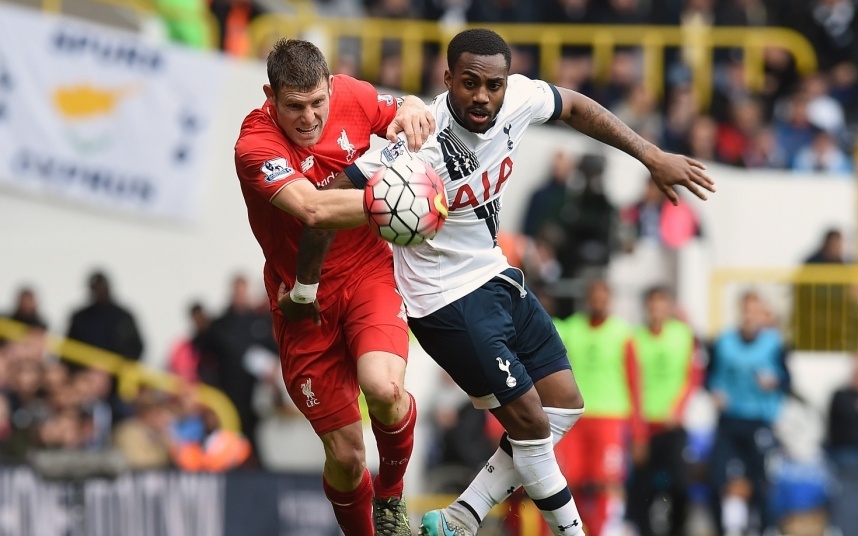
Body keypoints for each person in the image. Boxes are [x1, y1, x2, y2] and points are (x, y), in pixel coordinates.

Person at [292, 28, 715, 536]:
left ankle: (458, 519)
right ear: (448, 79)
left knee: (564, 405)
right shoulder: (414, 142)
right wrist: (304, 291)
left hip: (495, 275)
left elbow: (577, 107)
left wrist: (651, 156)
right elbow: (322, 206)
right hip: (445, 301)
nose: (482, 96)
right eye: (469, 83)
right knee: (533, 425)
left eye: (493, 85)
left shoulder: (518, 99)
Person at [232, 38, 434, 536]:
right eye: (295, 106)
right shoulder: (255, 145)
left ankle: (390, 500)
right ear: (270, 96)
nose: (309, 117)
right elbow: (313, 210)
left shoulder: (353, 95)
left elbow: (402, 108)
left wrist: (412, 109)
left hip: (367, 272)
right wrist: (402, 200)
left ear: (329, 87)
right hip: (302, 303)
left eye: (318, 102)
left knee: (385, 389)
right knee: (345, 454)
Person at [553, 280, 645, 536]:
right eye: (593, 296)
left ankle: (606, 530)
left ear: (610, 300)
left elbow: (634, 381)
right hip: (574, 418)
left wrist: (638, 431)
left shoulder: (623, 333)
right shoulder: (571, 328)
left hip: (610, 418)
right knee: (569, 481)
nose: (598, 302)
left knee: (607, 481)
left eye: (603, 297)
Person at [706, 290, 790, 536]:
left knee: (761, 480)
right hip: (730, 419)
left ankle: (764, 528)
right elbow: (709, 376)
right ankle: (723, 528)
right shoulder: (724, 342)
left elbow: (787, 379)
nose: (750, 316)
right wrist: (714, 392)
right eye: (746, 310)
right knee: (717, 478)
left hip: (759, 421)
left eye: (755, 310)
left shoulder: (773, 343)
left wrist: (774, 383)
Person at [626, 286, 703, 536]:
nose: (657, 310)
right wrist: (637, 432)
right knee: (642, 490)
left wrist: (678, 409)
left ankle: (677, 530)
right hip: (646, 427)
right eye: (652, 305)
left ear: (669, 308)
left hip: (673, 426)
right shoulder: (635, 339)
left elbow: (693, 376)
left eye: (662, 304)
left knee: (680, 485)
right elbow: (632, 385)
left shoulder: (683, 335)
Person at [67, 271, 144, 361]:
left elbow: (135, 348)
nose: (99, 292)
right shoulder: (80, 318)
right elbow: (70, 348)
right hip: (84, 370)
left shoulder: (123, 317)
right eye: (96, 288)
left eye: (102, 288)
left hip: (117, 372)